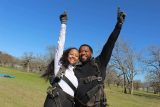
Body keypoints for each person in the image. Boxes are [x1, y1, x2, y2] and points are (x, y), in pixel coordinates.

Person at [74, 8, 126, 107]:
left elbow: (110, 43)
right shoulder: (75, 69)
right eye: (80, 51)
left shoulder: (99, 63)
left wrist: (118, 25)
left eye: (86, 51)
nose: (83, 53)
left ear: (91, 53)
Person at [42, 12, 79, 107]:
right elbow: (60, 45)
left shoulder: (75, 74)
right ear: (67, 55)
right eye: (71, 54)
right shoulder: (59, 66)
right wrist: (63, 24)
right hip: (55, 101)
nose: (74, 57)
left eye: (76, 56)